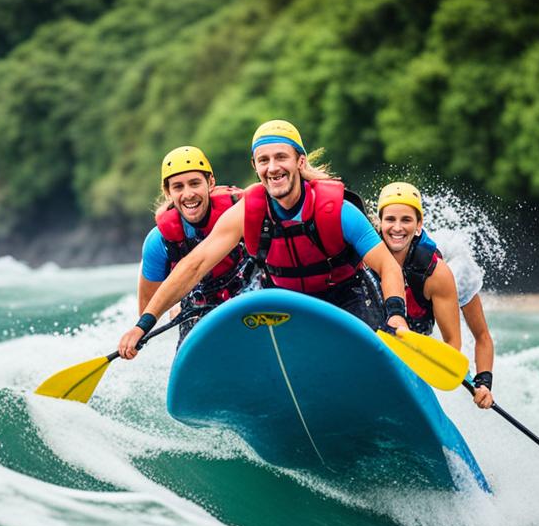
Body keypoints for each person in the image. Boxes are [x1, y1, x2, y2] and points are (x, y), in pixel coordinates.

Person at [118, 120, 409, 359]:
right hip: (290, 306)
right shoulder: (247, 212)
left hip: (348, 299)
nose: (273, 167)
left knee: (364, 355)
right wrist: (143, 325)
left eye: (281, 157)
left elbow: (387, 267)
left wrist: (396, 314)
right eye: (264, 160)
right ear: (255, 167)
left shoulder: (337, 210)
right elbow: (195, 265)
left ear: (299, 161)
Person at [376, 181, 495, 409]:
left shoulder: (438, 274)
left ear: (419, 224)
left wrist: (483, 381)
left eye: (407, 220)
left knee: (458, 279)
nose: (397, 228)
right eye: (390, 219)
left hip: (421, 318)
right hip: (381, 334)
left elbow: (464, 341)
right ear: (379, 223)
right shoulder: (364, 258)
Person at [139, 145, 252, 346]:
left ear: (210, 183)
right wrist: (172, 309)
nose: (188, 194)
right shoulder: (158, 242)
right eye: (178, 187)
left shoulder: (242, 212)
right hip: (199, 308)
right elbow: (146, 310)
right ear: (167, 192)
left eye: (194, 183)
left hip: (251, 292)